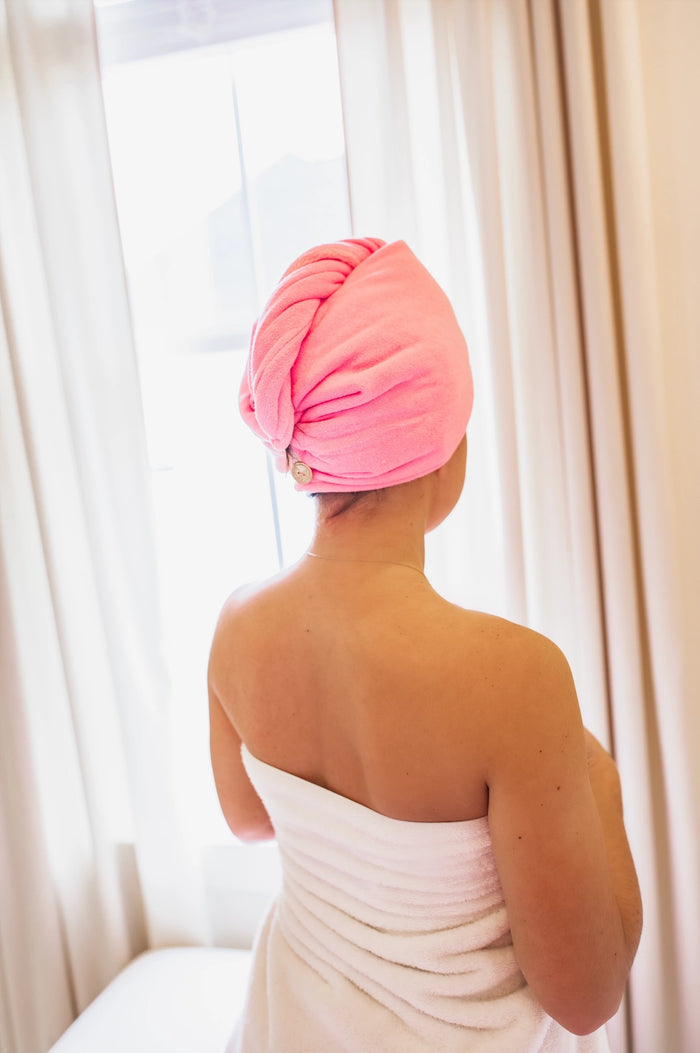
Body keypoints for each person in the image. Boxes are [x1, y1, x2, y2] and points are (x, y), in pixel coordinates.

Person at [208, 238, 642, 1051]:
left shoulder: (237, 626)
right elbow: (587, 996)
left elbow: (246, 815)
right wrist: (602, 783)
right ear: (448, 450)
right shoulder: (515, 679)